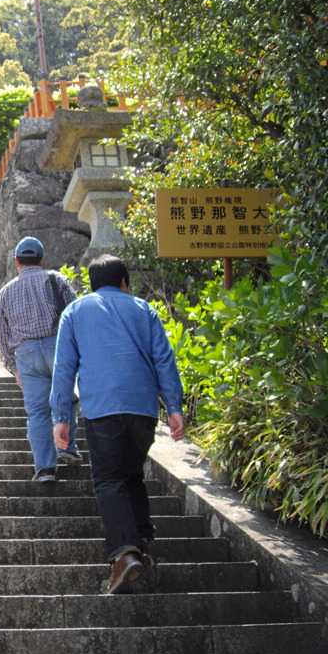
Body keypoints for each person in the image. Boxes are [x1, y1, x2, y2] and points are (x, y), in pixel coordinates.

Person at [50, 254, 186, 594]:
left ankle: (125, 554)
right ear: (124, 282)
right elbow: (164, 359)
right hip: (142, 409)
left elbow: (64, 369)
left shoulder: (75, 312)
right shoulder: (143, 310)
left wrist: (61, 417)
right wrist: (174, 407)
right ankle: (145, 544)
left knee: (109, 480)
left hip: (102, 408)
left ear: (91, 285)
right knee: (133, 476)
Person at [0, 236, 80, 484]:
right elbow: (74, 313)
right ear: (42, 260)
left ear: (16, 262)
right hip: (58, 347)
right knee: (67, 398)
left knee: (37, 412)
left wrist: (13, 368)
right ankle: (66, 447)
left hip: (26, 354)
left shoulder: (5, 291)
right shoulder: (56, 279)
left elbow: (2, 333)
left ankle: (45, 469)